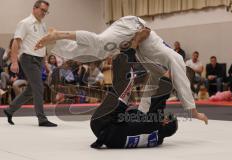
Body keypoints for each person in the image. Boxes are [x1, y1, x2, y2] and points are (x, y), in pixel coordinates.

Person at [35, 16, 208, 124]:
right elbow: (146, 31)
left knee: (97, 52)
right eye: (174, 80)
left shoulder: (157, 69)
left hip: (129, 34)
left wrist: (142, 112)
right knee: (100, 42)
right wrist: (192, 111)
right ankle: (59, 35)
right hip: (134, 26)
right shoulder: (175, 59)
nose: (173, 82)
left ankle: (56, 42)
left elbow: (150, 88)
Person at [91, 28, 177, 149]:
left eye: (165, 117)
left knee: (125, 84)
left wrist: (168, 78)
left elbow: (158, 100)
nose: (163, 116)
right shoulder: (157, 140)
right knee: (123, 91)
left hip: (105, 123)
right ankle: (124, 52)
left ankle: (130, 46)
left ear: (166, 123)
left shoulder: (156, 124)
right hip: (104, 131)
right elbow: (135, 120)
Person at [3, 0, 57, 127]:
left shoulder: (43, 24)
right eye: (42, 10)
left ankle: (10, 110)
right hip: (28, 59)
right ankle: (42, 118)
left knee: (31, 90)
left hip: (38, 59)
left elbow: (42, 44)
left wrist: (45, 63)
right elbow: (16, 43)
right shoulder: (25, 23)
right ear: (35, 8)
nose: (44, 13)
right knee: (39, 87)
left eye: (46, 11)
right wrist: (14, 62)